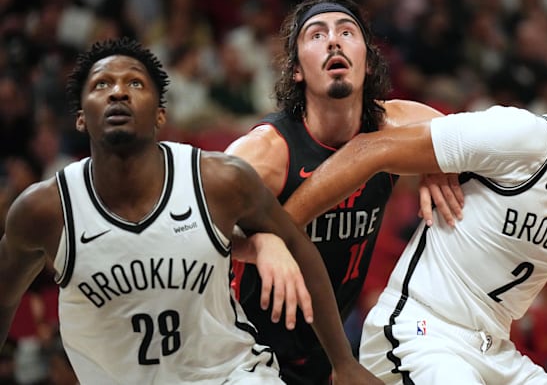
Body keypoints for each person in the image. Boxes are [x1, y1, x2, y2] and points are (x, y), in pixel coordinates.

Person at [283, 11, 547, 383]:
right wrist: (278, 231)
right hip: (420, 328)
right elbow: (367, 150)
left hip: (494, 350)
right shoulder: (524, 137)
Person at [0, 37, 381, 385]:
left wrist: (343, 363)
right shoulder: (45, 209)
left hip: (231, 375)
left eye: (135, 83)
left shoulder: (219, 181)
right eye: (102, 85)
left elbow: (302, 249)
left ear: (160, 114)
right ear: (81, 116)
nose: (118, 92)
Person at [224, 0, 462, 385]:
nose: (333, 40)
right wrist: (256, 245)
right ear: (297, 70)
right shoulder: (266, 151)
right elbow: (187, 226)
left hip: (326, 350)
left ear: (368, 62)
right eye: (316, 35)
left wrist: (436, 165)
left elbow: (462, 136)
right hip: (246, 348)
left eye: (347, 32)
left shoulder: (392, 127)